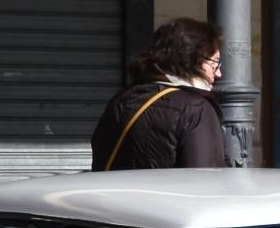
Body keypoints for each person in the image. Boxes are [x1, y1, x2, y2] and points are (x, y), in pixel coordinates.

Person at [90, 18, 228, 169]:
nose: (219, 73)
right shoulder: (196, 109)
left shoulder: (121, 100)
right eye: (214, 63)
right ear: (191, 58)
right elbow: (205, 180)